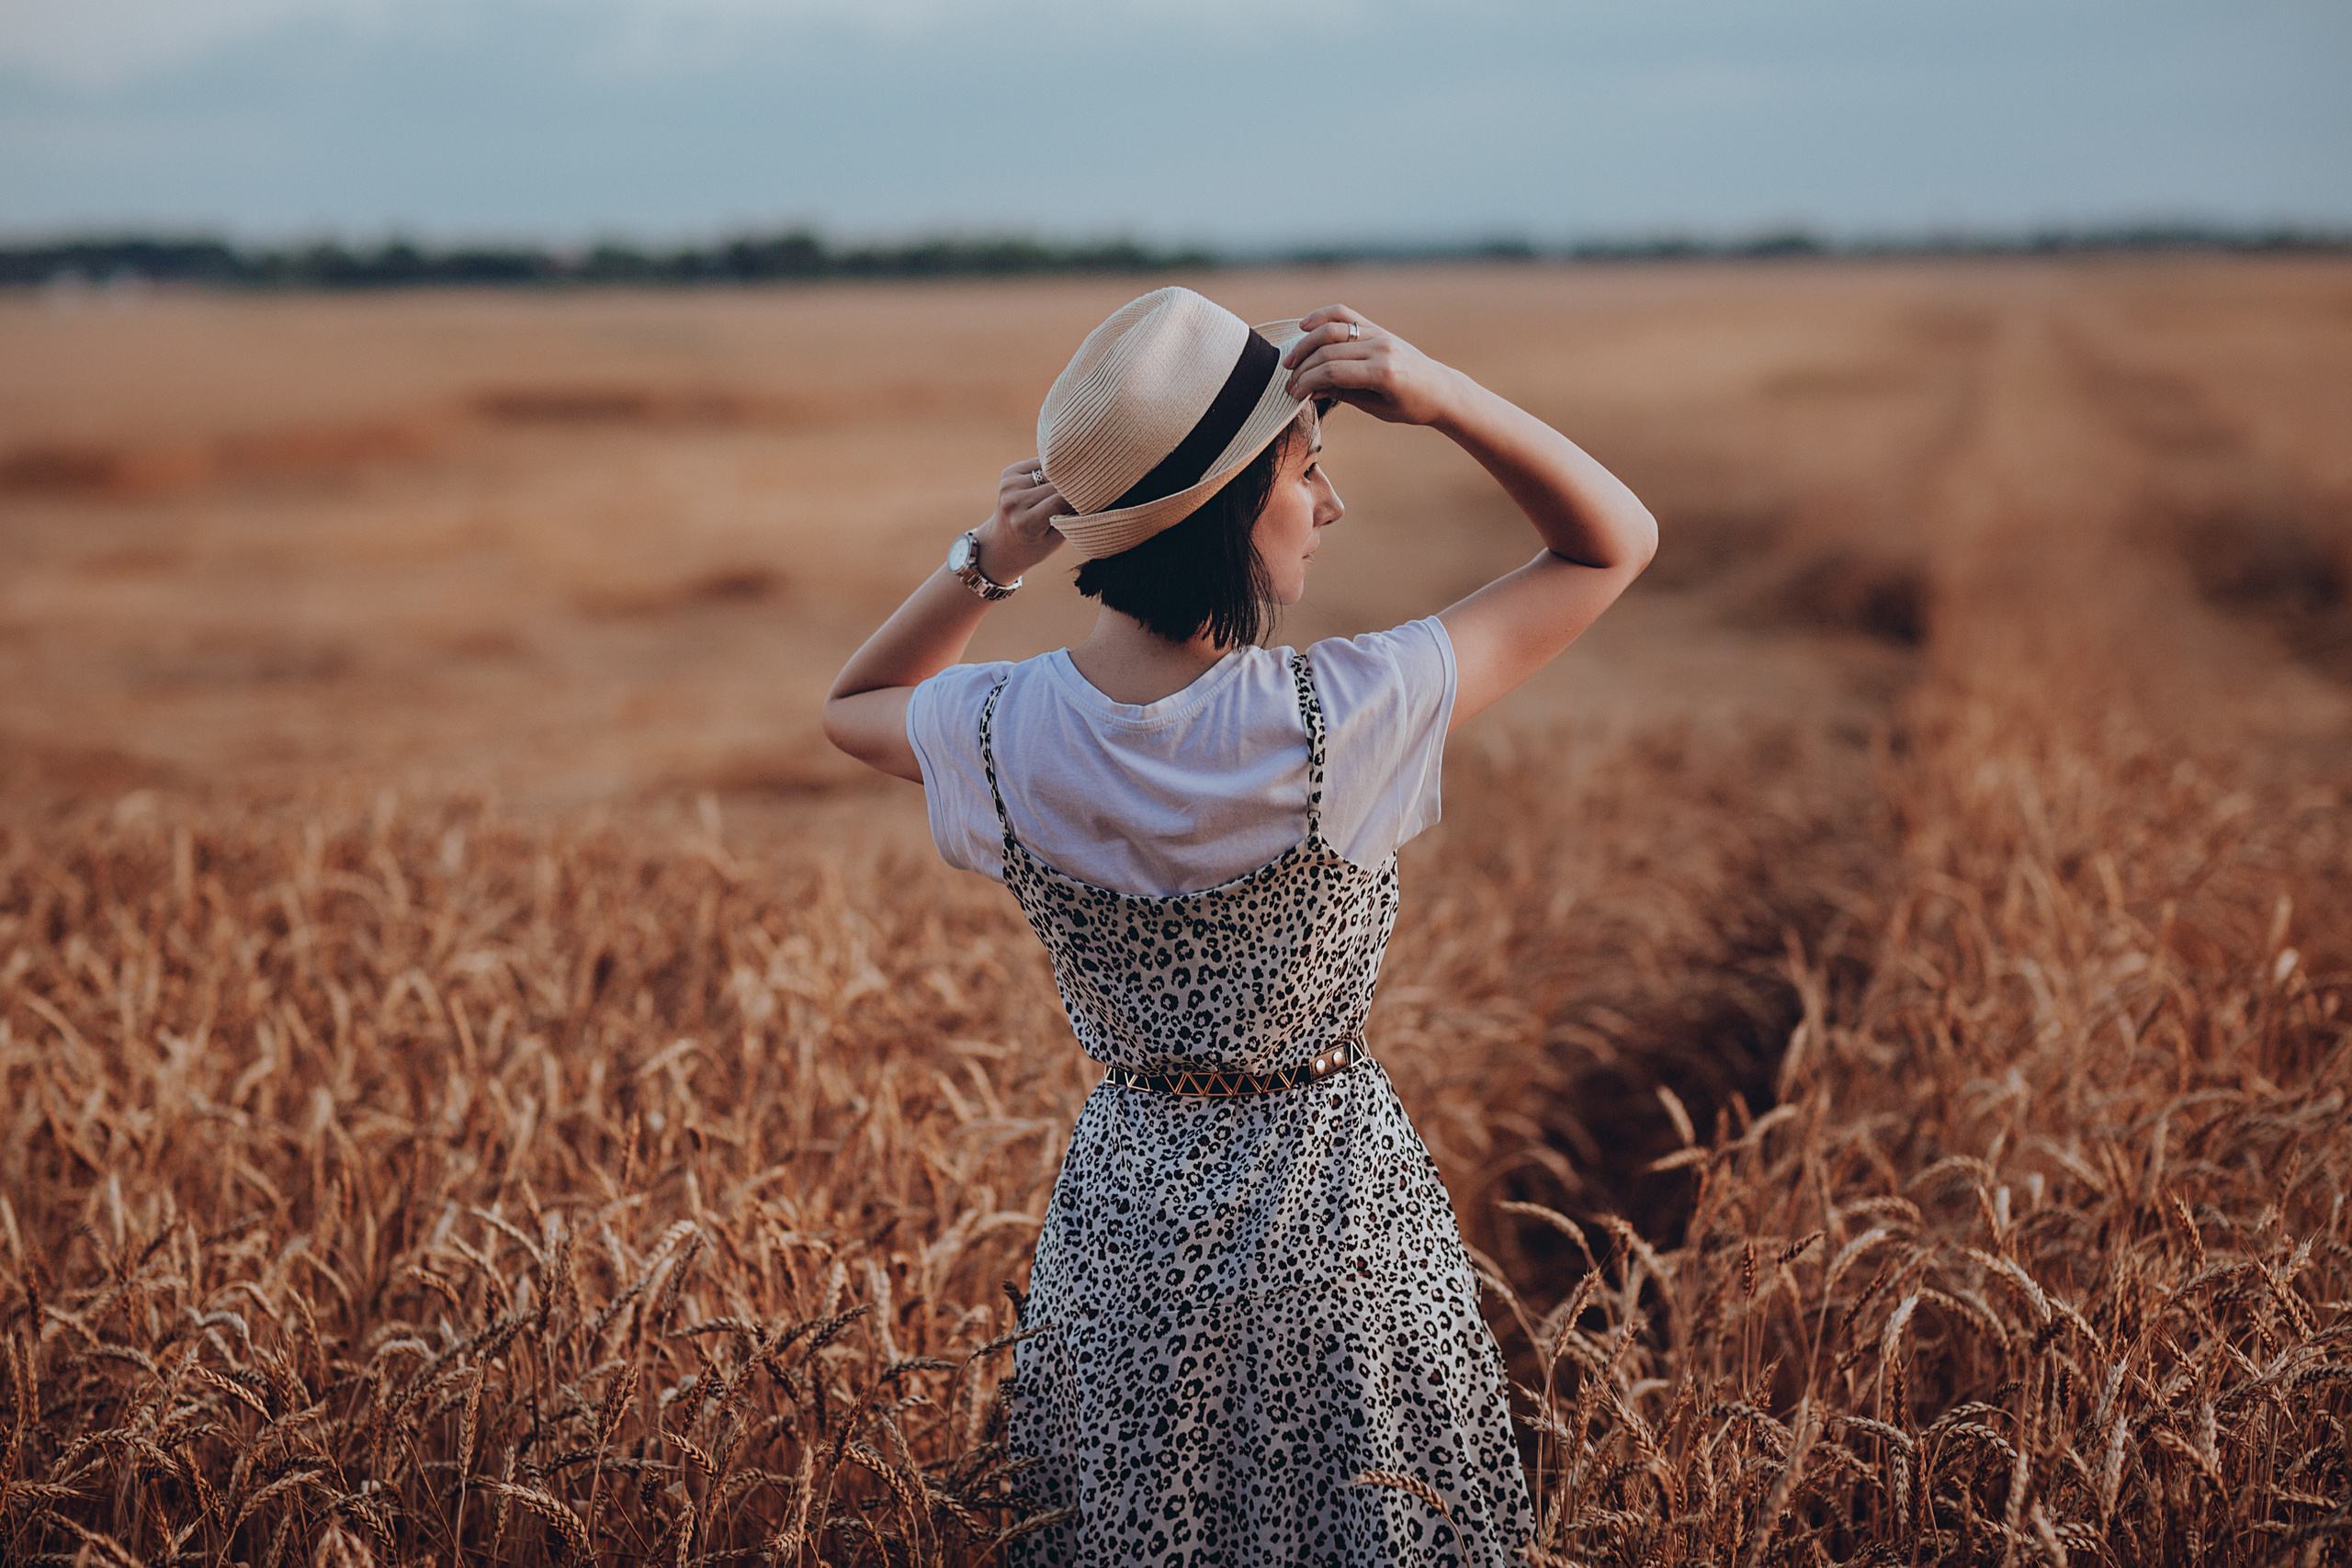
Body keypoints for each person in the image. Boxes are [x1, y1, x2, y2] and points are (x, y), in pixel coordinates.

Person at [823, 287, 1654, 1566]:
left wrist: (989, 558)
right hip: (1342, 1223)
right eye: (1306, 472)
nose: (1330, 505)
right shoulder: (1346, 714)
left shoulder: (1004, 731)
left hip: (1124, 1230)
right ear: (1225, 514)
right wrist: (1439, 396)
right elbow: (1611, 544)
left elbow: (856, 703)